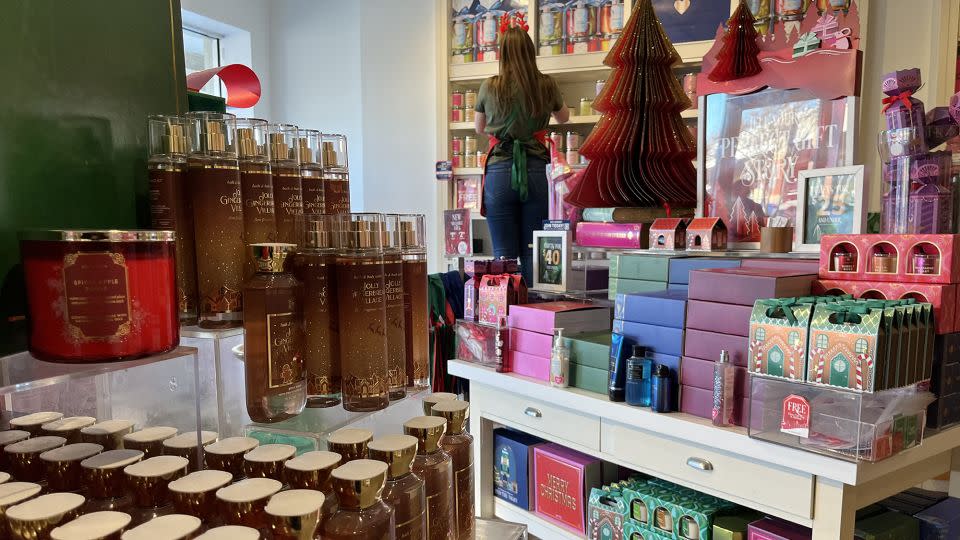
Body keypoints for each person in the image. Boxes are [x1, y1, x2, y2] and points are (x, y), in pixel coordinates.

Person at [474, 24, 568, 287]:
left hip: (500, 172)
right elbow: (563, 117)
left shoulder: (489, 87)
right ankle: (534, 315)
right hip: (537, 169)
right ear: (530, 52)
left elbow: (479, 128)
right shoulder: (546, 84)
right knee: (534, 250)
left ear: (502, 53)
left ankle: (506, 313)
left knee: (504, 254)